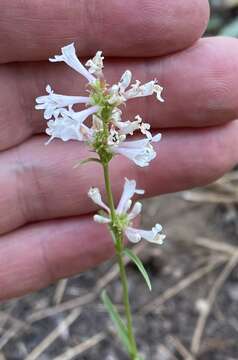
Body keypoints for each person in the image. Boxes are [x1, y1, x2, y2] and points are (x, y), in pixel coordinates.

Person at [0, 0, 237, 300]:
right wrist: (88, 127)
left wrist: (118, 127)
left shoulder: (107, 117)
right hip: (97, 132)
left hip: (108, 138)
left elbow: (111, 129)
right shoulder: (94, 118)